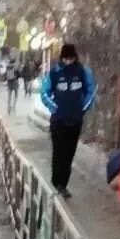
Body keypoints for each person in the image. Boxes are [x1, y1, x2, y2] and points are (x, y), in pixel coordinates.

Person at [40, 44, 96, 198]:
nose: (68, 61)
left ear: (75, 57)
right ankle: (56, 180)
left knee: (69, 154)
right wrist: (54, 108)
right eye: (65, 58)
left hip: (75, 121)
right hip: (58, 121)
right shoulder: (54, 73)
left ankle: (63, 185)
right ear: (62, 58)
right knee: (59, 152)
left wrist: (82, 108)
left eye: (70, 58)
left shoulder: (83, 72)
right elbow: (44, 92)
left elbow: (91, 91)